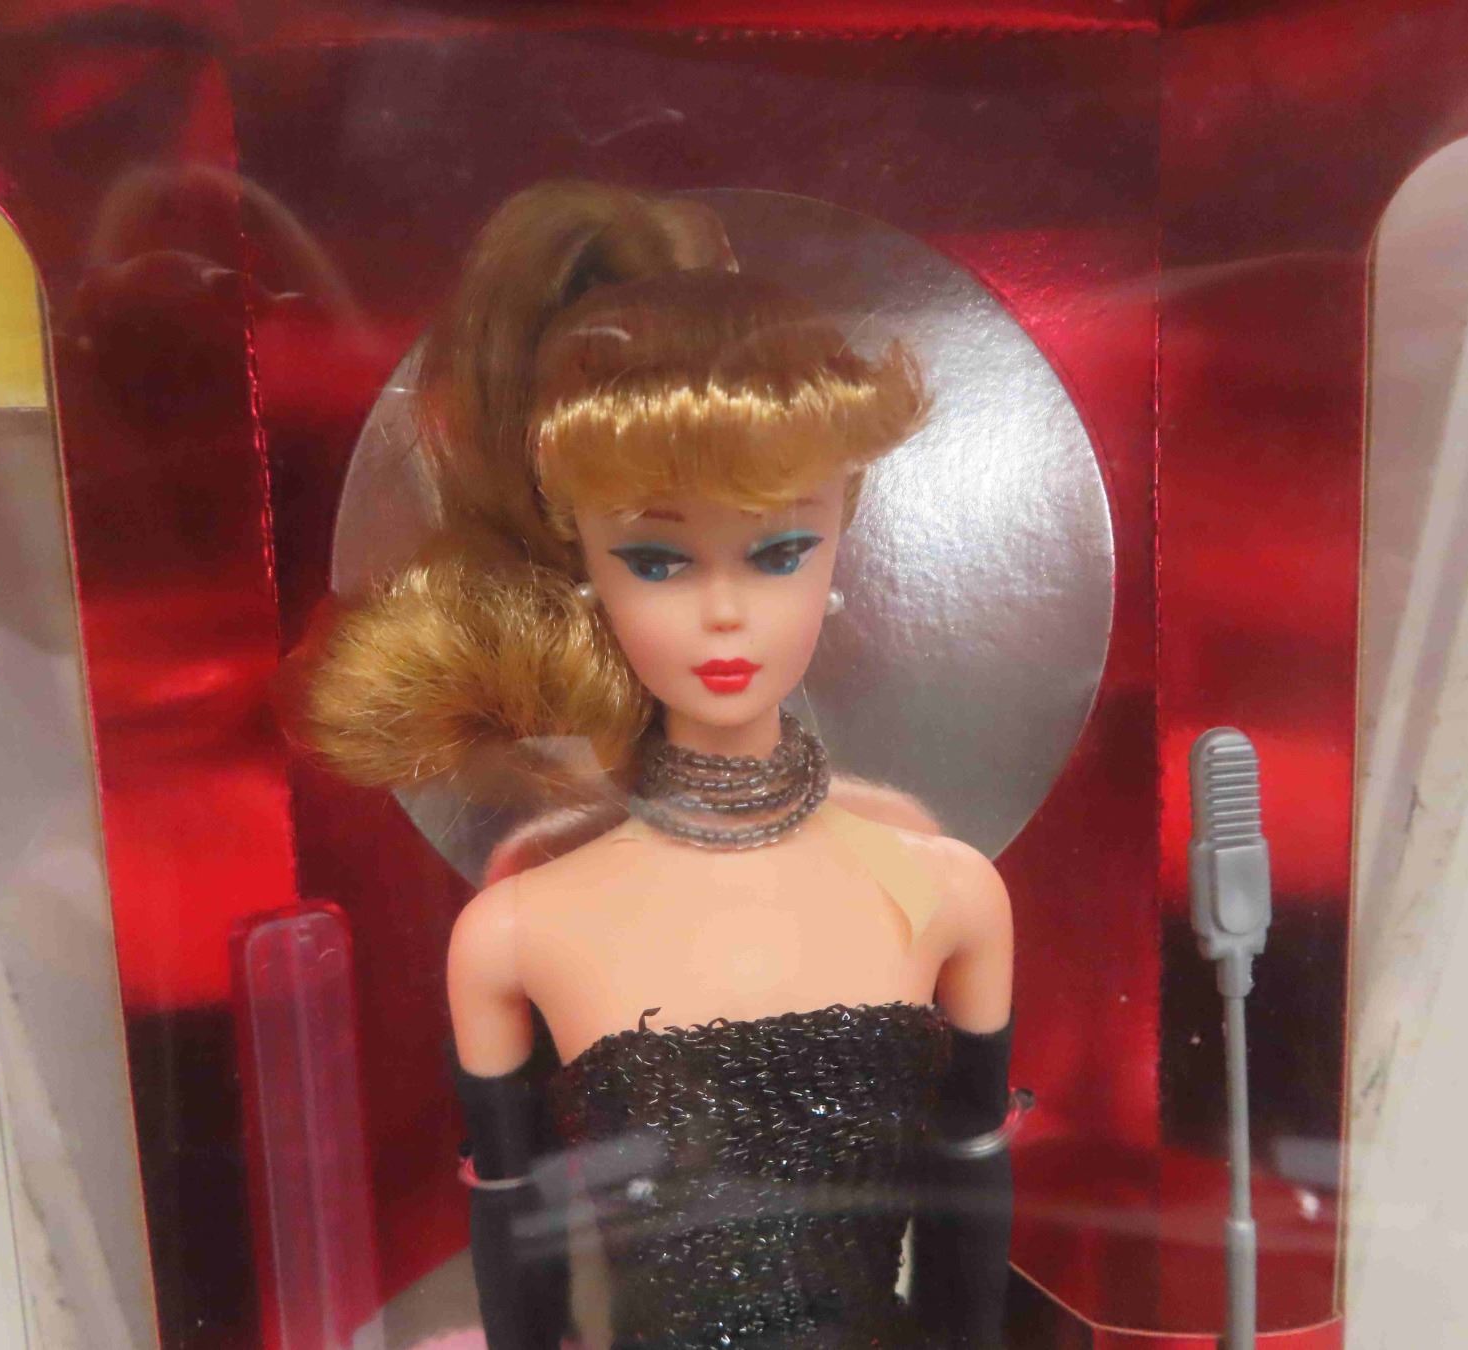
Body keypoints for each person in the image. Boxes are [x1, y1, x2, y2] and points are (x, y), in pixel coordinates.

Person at [297, 181, 1015, 1349]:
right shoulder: (517, 931)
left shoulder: (948, 894)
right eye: (658, 560)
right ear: (583, 563)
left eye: (779, 550)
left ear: (842, 540)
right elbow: (521, 1273)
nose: (725, 613)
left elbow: (967, 1257)